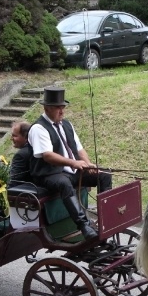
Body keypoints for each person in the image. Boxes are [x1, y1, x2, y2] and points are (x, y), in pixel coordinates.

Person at [28, 86, 112, 240]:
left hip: (71, 172)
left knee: (104, 175)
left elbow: (79, 149)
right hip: (48, 174)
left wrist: (88, 164)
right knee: (64, 183)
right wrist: (74, 163)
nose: (62, 111)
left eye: (63, 107)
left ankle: (106, 218)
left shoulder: (67, 125)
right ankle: (84, 225)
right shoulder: (38, 128)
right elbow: (47, 156)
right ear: (47, 108)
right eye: (58, 108)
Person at [9, 120, 32, 186]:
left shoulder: (21, 155)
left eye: (14, 136)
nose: (11, 138)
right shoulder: (36, 149)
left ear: (26, 137)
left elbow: (13, 181)